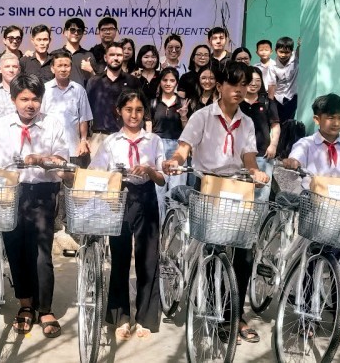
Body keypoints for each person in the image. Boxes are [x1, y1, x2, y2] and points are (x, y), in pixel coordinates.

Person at [162, 61, 269, 345]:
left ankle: (233, 312)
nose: (239, 90)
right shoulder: (201, 117)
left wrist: (255, 171)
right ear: (219, 86)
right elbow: (184, 148)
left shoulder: (246, 121)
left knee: (245, 253)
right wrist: (174, 161)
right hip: (207, 183)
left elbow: (248, 156)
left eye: (244, 84)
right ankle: (213, 309)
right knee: (213, 249)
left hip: (237, 187)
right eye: (233, 84)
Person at [0, 73, 69, 339]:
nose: (30, 104)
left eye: (35, 99)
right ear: (14, 100)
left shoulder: (53, 124)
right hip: (9, 193)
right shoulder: (2, 126)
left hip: (42, 192)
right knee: (16, 249)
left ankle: (45, 308)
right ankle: (25, 305)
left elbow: (61, 158)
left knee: (42, 253)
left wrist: (43, 159)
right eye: (24, 99)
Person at [281, 93, 340, 343]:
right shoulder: (306, 144)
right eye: (330, 117)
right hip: (315, 209)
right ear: (317, 119)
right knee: (311, 261)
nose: (336, 123)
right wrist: (292, 162)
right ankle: (306, 314)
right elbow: (296, 159)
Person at [90, 89, 165, 340]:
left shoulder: (154, 140)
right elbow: (97, 171)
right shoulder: (111, 142)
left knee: (148, 258)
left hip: (146, 197)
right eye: (128, 110)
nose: (134, 115)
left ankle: (146, 317)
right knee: (120, 257)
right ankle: (120, 316)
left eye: (139, 110)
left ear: (145, 112)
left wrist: (150, 170)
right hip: (119, 198)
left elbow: (163, 178)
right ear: (119, 112)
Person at [145, 67, 187, 216]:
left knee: (177, 190)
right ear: (160, 82)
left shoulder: (183, 102)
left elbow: (187, 131)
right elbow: (149, 129)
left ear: (176, 82)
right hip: (159, 146)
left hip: (178, 148)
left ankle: (175, 229)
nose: (168, 83)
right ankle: (160, 229)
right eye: (165, 80)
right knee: (159, 190)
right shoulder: (153, 103)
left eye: (172, 80)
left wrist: (183, 116)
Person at [86, 41, 139, 157]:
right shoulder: (94, 81)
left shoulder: (133, 82)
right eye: (112, 55)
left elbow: (139, 110)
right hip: (98, 137)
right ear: (105, 57)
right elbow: (86, 111)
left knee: (121, 174)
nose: (116, 58)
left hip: (125, 137)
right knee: (97, 174)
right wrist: (86, 137)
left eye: (119, 55)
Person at [41, 49, 93, 167]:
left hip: (73, 148)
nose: (63, 69)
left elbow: (83, 118)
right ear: (52, 68)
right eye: (59, 65)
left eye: (66, 66)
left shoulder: (79, 89)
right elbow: (40, 117)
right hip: (50, 149)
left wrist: (83, 140)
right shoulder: (45, 89)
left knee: (72, 183)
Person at [240, 67, 280, 201]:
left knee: (261, 194)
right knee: (239, 192)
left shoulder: (267, 102)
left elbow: (275, 125)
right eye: (250, 80)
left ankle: (260, 222)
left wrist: (273, 145)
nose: (254, 83)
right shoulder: (237, 101)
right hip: (238, 155)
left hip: (262, 154)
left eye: (257, 80)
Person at [51, 17, 97, 85]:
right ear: (65, 32)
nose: (76, 33)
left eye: (79, 31)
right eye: (72, 30)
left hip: (82, 94)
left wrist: (91, 70)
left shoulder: (88, 55)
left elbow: (97, 82)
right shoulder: (54, 54)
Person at [273, 36, 299, 122]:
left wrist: (300, 45)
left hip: (292, 98)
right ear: (276, 50)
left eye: (286, 52)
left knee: (288, 123)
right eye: (281, 52)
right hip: (277, 98)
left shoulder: (295, 59)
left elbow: (300, 51)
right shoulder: (272, 65)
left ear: (292, 52)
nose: (283, 55)